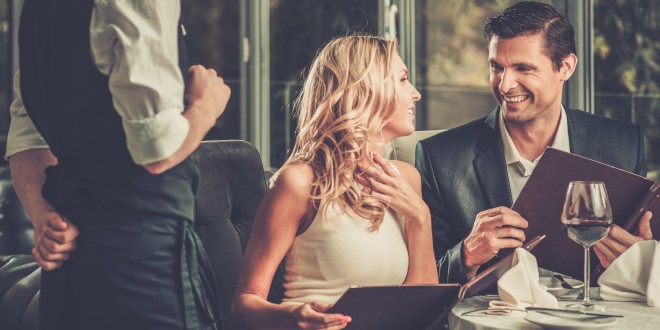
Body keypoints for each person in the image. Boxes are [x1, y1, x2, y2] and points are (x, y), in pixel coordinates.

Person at [6, 1, 230, 329]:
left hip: (70, 272)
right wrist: (205, 106)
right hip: (144, 264)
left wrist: (43, 217)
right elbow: (157, 148)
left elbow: (28, 135)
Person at [415, 1, 653, 284]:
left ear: (565, 67)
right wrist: (466, 254)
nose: (504, 85)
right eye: (496, 67)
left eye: (523, 68)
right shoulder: (439, 157)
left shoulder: (625, 144)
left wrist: (643, 258)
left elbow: (641, 257)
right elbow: (423, 286)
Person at [232, 35, 437, 330]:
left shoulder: (405, 179)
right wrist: (293, 317)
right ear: (366, 90)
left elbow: (418, 308)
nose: (416, 93)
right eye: (403, 80)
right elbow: (244, 303)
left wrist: (420, 217)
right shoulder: (299, 182)